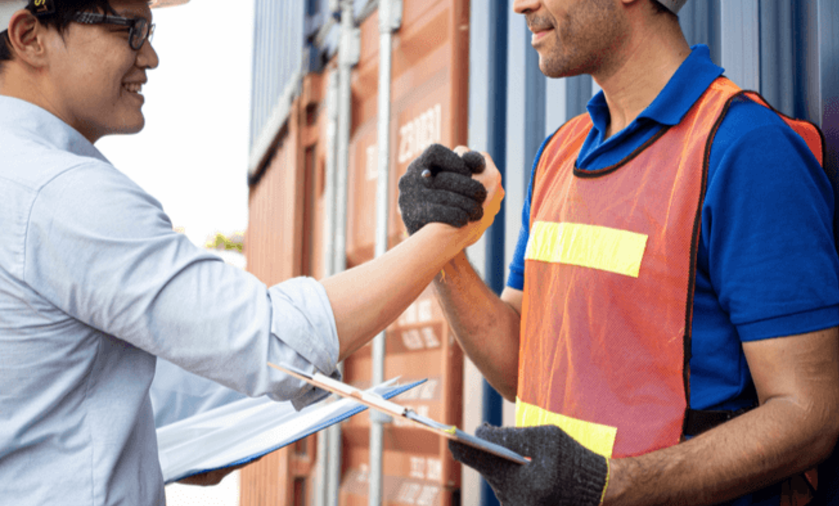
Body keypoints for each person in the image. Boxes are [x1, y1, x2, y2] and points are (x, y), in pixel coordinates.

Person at [0, 0, 502, 504]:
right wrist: (448, 232)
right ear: (29, 36)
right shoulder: (58, 192)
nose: (149, 56)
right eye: (130, 30)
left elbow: (58, 385)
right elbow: (277, 343)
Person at [397, 0, 839, 505]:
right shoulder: (559, 155)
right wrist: (438, 245)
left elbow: (808, 415)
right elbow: (521, 365)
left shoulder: (745, 148)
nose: (520, 4)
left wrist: (610, 486)